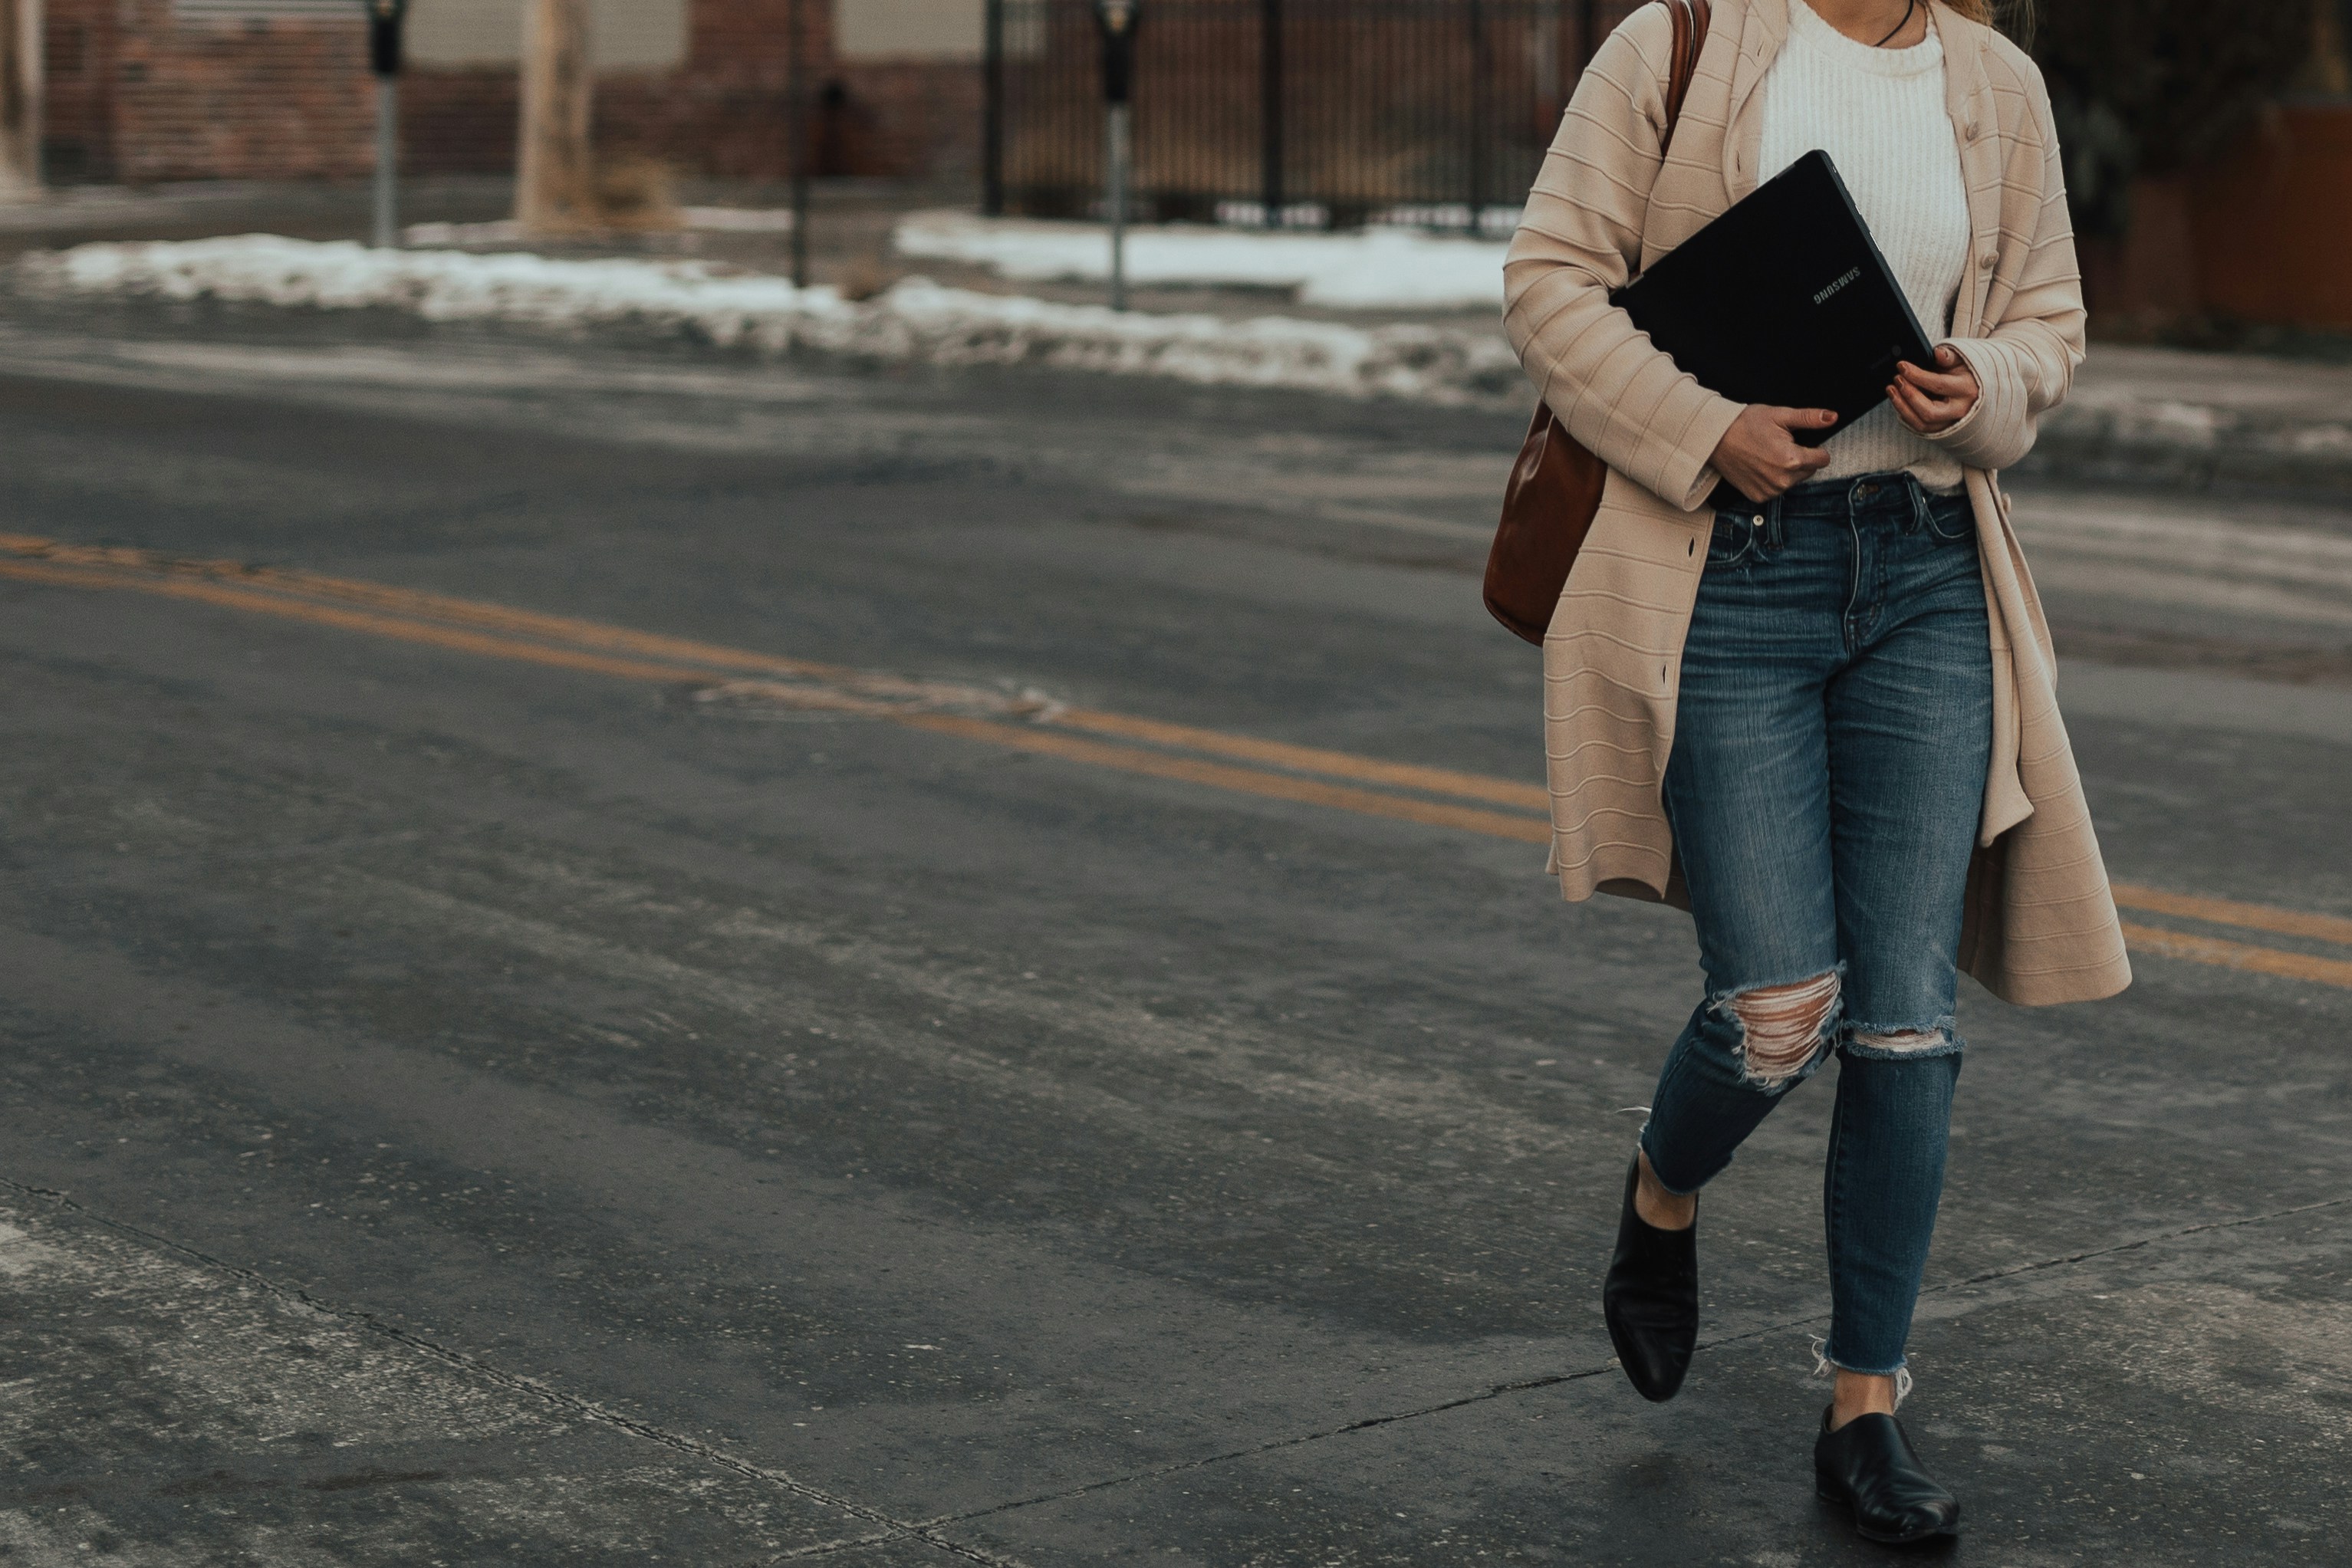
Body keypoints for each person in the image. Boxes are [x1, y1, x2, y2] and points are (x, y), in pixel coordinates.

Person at [1502, 0, 2131, 1545]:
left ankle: (1865, 1409)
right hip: (1731, 578)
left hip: (1923, 577)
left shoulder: (1995, 82)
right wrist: (1706, 426)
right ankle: (1663, 1192)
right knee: (1777, 1008)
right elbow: (1547, 285)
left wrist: (1979, 386)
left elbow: (2049, 318)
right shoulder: (1682, 43)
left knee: (1906, 1027)